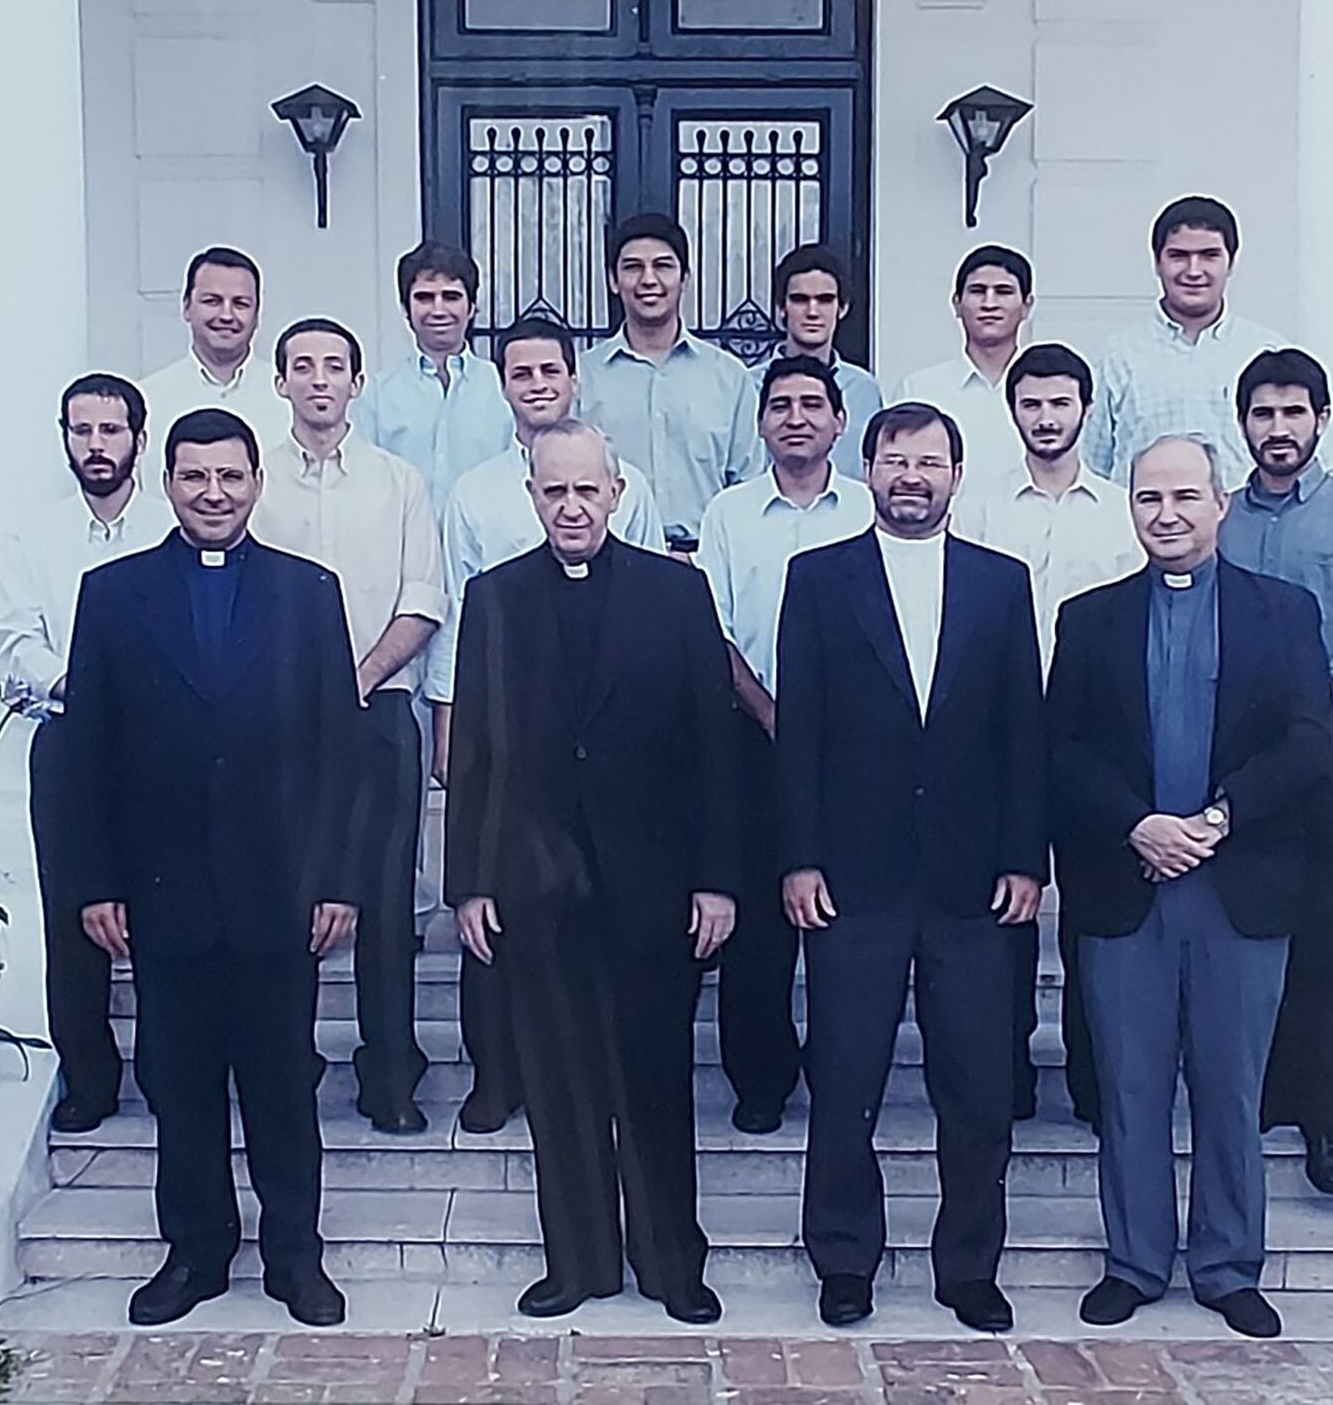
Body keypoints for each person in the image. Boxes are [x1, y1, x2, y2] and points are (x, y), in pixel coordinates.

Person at [53, 408, 365, 1329]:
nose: (213, 494)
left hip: (279, 889)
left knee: (281, 1082)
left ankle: (295, 1258)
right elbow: (89, 753)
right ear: (168, 481)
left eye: (230, 477)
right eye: (195, 477)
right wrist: (95, 881)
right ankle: (193, 1252)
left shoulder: (310, 590)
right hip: (162, 889)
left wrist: (339, 877)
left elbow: (337, 747)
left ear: (257, 481)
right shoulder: (111, 594)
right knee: (178, 1083)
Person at [445, 420, 739, 1325]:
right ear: (531, 496)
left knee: (655, 1081)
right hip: (536, 884)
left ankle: (669, 1264)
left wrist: (718, 878)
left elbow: (714, 748)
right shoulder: (493, 599)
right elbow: (478, 751)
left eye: (587, 490)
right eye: (553, 491)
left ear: (617, 493)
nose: (572, 506)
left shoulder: (675, 595)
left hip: (652, 884)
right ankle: (578, 1264)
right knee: (560, 1086)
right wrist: (469, 881)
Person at [1048, 435, 1330, 1340]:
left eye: (1183, 497)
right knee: (1129, 1086)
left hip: (1237, 885)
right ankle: (1133, 1261)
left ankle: (1227, 1263)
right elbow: (1063, 749)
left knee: (1229, 1086)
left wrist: (1216, 819)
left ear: (1220, 505)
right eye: (1147, 499)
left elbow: (1306, 743)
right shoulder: (1088, 620)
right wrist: (1138, 822)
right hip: (1128, 883)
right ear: (1130, 509)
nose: (1165, 514)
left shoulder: (1285, 613)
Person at [776, 402, 1048, 1334]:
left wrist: (1026, 857)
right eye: (894, 460)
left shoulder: (1001, 582)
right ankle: (845, 1257)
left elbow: (1024, 730)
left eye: (928, 462)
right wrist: (800, 857)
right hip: (853, 875)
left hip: (974, 881)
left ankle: (969, 1265)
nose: (911, 477)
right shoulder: (818, 577)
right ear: (871, 470)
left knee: (975, 1083)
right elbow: (798, 729)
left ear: (956, 475)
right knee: (845, 1077)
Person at [425, 315, 664, 1135]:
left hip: (612, 743)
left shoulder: (623, 474)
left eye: (549, 370)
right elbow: (460, 613)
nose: (535, 383)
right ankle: (496, 1077)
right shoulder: (474, 490)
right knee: (501, 926)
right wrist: (450, 719)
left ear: (573, 378)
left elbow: (642, 596)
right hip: (514, 736)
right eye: (519, 371)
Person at [254, 317, 447, 1136]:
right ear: (281, 382)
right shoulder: (257, 483)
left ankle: (390, 1070)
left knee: (384, 898)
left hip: (380, 716)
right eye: (303, 366)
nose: (320, 380)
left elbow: (423, 599)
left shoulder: (398, 481)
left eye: (335, 365)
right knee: (287, 894)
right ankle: (287, 1062)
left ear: (359, 383)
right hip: (274, 725)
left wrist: (353, 681)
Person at [1219, 349, 1333, 1196]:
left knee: (1326, 932)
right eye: (1263, 413)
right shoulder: (1219, 517)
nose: (1278, 428)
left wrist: (1299, 729)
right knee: (1242, 926)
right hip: (1231, 752)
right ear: (1244, 422)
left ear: (1320, 419)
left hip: (1325, 746)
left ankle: (1327, 1117)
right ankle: (1252, 1095)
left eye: (1294, 412)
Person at [953, 342, 1142, 1127]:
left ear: (1085, 410)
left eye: (1060, 403)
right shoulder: (980, 507)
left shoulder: (1122, 510)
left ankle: (1095, 1079)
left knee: (1097, 913)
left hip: (1097, 735)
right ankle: (1009, 1072)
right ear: (1013, 411)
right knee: (1006, 908)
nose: (1045, 417)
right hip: (997, 733)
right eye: (1031, 403)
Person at [696, 356, 873, 1136]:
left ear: (841, 421)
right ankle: (760, 1075)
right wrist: (770, 713)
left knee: (850, 916)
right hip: (752, 735)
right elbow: (715, 630)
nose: (796, 417)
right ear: (761, 423)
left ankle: (843, 1069)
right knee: (761, 929)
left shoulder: (873, 510)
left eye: (812, 404)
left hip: (862, 746)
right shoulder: (728, 515)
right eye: (780, 405)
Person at [0, 373, 168, 1134]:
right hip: (69, 739)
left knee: (165, 903)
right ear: (65, 437)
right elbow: (14, 645)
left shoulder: (173, 526)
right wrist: (79, 678)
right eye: (82, 431)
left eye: (111, 430)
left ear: (138, 436)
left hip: (163, 741)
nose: (97, 446)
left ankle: (167, 1070)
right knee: (72, 915)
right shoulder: (35, 536)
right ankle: (88, 1078)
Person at [578, 213, 763, 551]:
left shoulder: (729, 376)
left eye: (663, 266)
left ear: (685, 278)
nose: (648, 279)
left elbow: (747, 485)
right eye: (633, 267)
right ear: (612, 281)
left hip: (703, 561)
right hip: (612, 561)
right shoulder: (584, 376)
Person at [1085, 197, 1283, 486]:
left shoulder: (1266, 351)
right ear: (1157, 262)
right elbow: (1091, 466)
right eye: (1178, 256)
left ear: (1231, 262)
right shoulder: (1116, 356)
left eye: (1209, 255)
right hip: (1140, 527)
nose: (1193, 271)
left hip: (1246, 526)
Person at [350, 241, 515, 513]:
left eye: (451, 297)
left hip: (489, 543)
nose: (438, 310)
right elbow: (366, 481)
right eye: (424, 298)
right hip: (404, 544)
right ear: (405, 308)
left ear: (472, 307)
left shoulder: (502, 387)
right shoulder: (377, 394)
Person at [891, 246, 1033, 495]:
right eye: (978, 291)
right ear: (957, 304)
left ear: (1027, 305)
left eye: (1003, 292)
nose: (990, 303)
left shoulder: (1048, 392)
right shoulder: (920, 388)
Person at [140, 246, 288, 464]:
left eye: (240, 304)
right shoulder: (148, 400)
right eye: (212, 301)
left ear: (257, 315)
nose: (226, 315)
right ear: (186, 307)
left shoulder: (290, 399)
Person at [759, 244, 883, 480]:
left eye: (825, 300)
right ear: (781, 308)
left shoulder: (864, 390)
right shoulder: (749, 384)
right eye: (800, 300)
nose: (812, 312)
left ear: (842, 308)